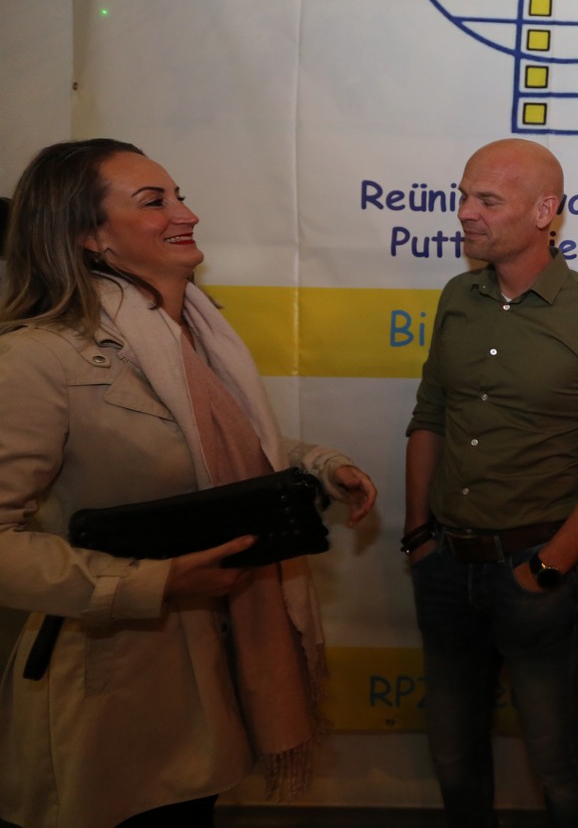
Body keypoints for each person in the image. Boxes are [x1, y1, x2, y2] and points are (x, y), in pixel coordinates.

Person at [0, 139, 377, 828]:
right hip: (111, 696)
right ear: (88, 235)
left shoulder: (194, 335)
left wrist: (319, 463)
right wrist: (152, 582)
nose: (188, 214)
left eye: (180, 196)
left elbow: (219, 448)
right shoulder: (37, 359)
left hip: (204, 679)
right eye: (155, 202)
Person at [402, 138, 578, 828]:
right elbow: (431, 417)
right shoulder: (457, 297)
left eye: (487, 199)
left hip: (539, 575)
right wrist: (418, 535)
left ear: (545, 212)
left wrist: (550, 566)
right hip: (446, 565)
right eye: (464, 196)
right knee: (452, 755)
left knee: (557, 761)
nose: (465, 212)